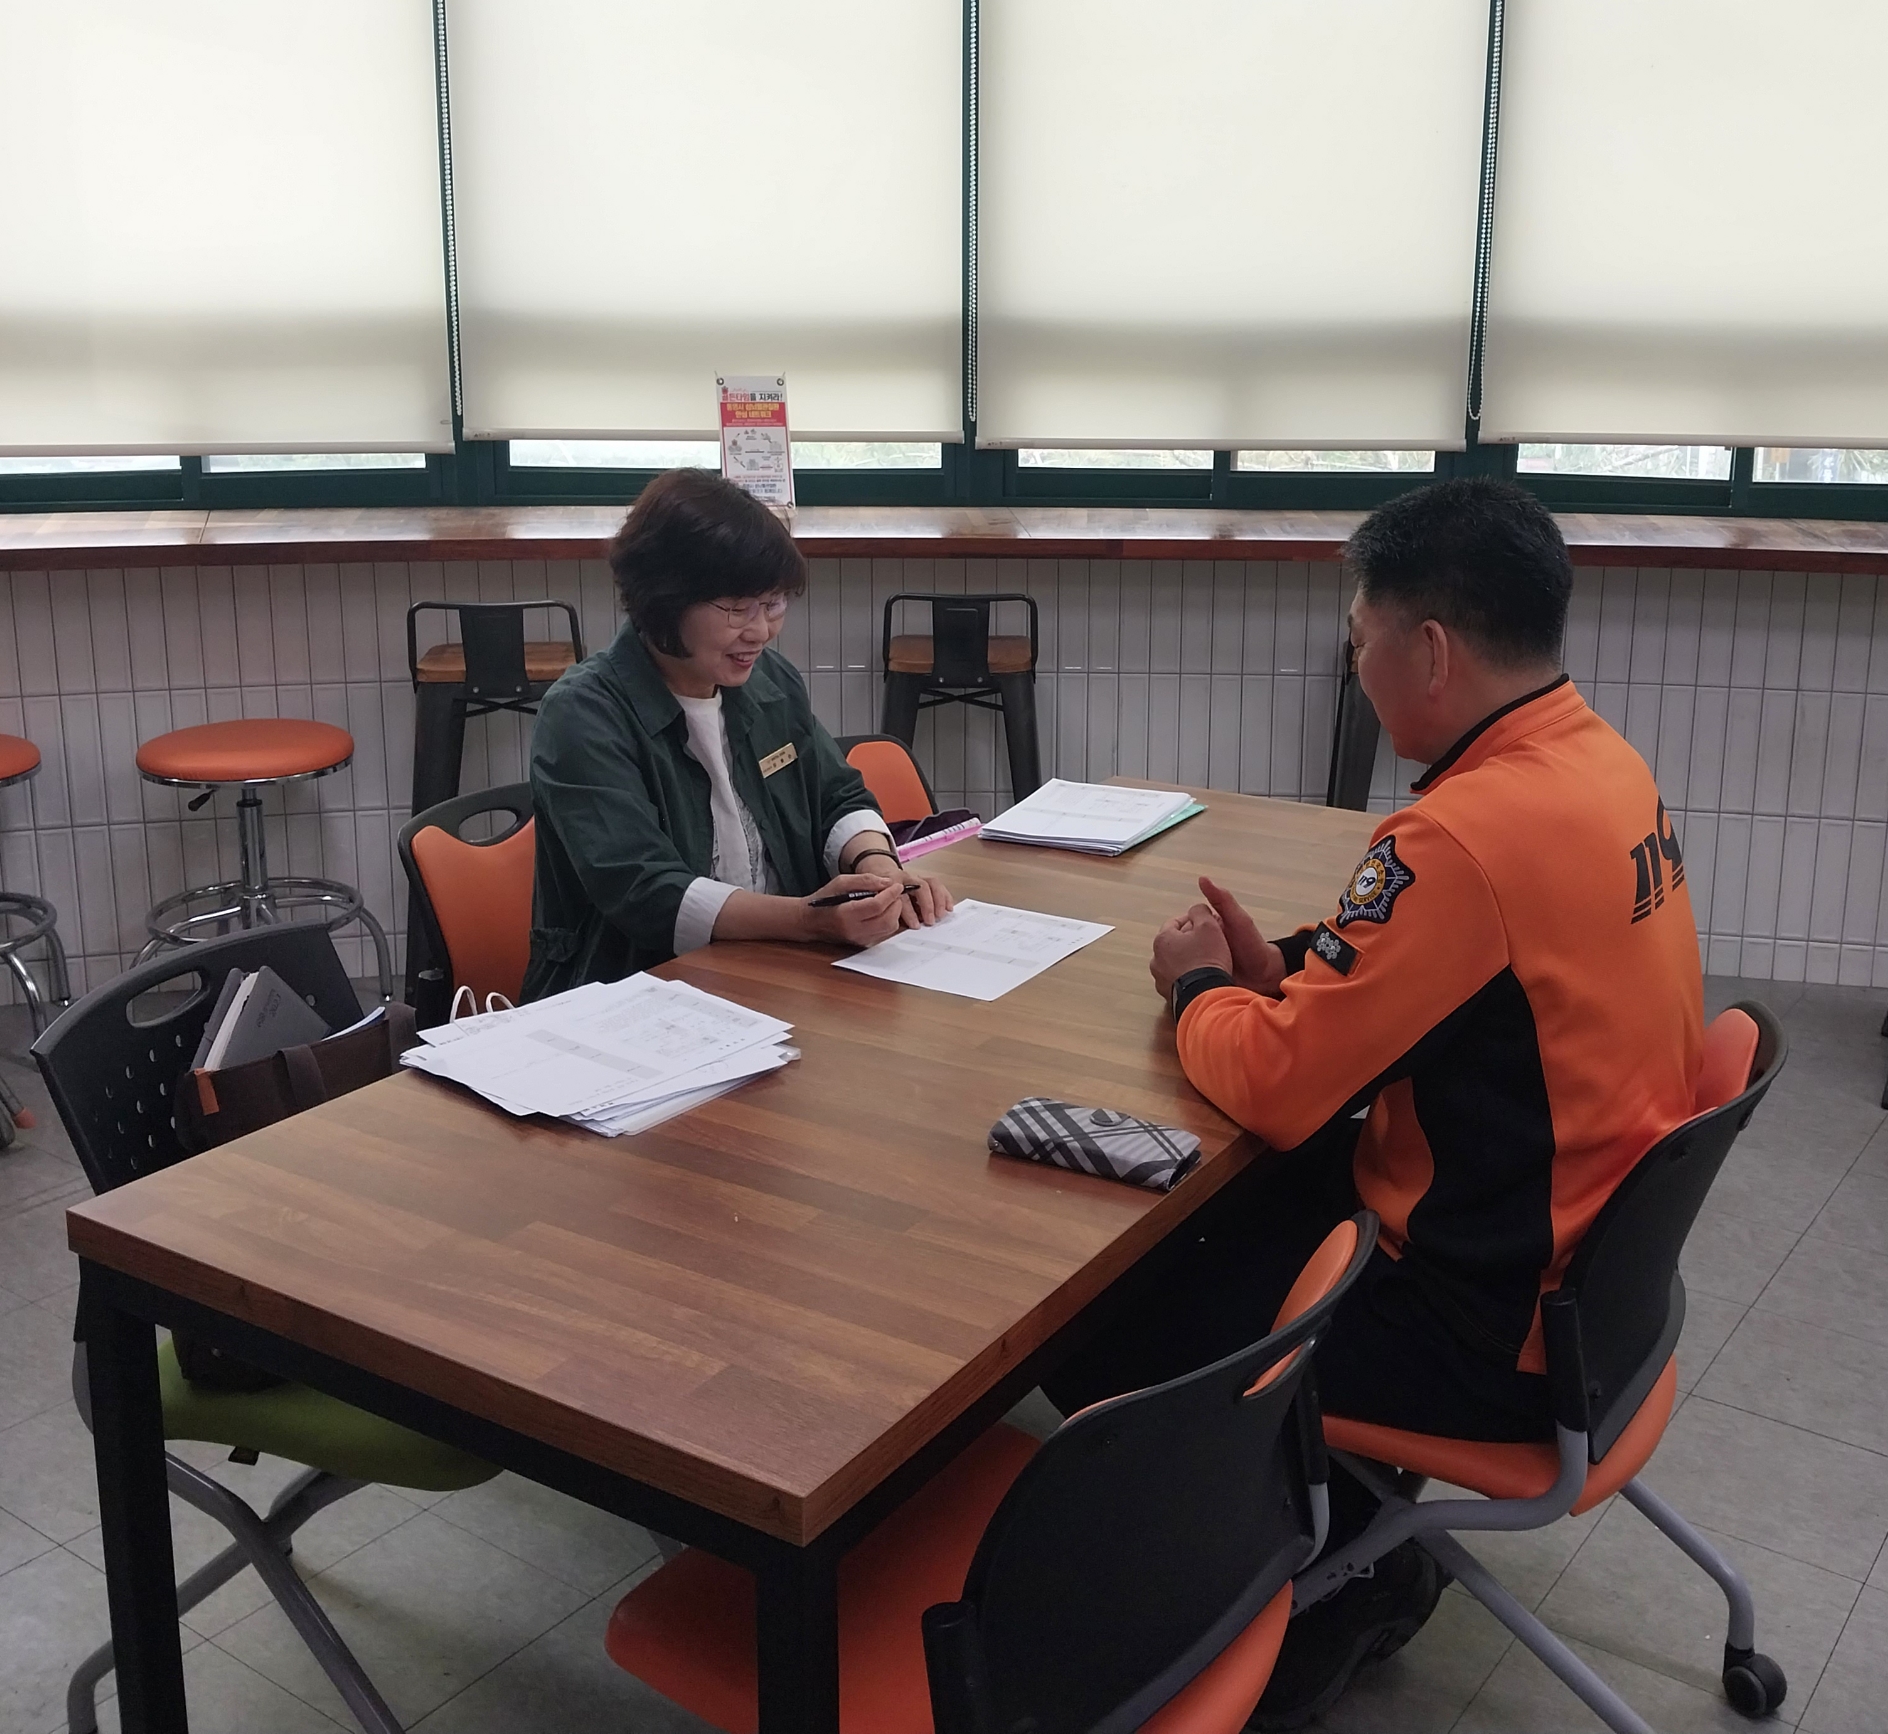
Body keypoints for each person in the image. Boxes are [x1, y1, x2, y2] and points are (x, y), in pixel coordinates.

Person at [1052, 477, 1704, 1729]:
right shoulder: (1599, 764)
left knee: (1101, 1318)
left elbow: (1280, 1091)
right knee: (1224, 1225)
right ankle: (1343, 1528)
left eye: (1360, 644)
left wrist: (1196, 989)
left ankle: (1316, 1584)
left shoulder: (1458, 834)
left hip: (1480, 1331)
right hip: (1582, 1282)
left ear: (1432, 651)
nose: (1358, 673)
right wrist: (1295, 970)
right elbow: (1469, 980)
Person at [521, 468, 953, 1000]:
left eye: (773, 604)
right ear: (664, 599)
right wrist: (809, 920)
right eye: (736, 609)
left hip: (776, 973)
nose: (761, 631)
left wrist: (880, 871)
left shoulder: (769, 683)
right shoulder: (584, 716)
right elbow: (646, 892)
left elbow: (836, 796)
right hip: (631, 992)